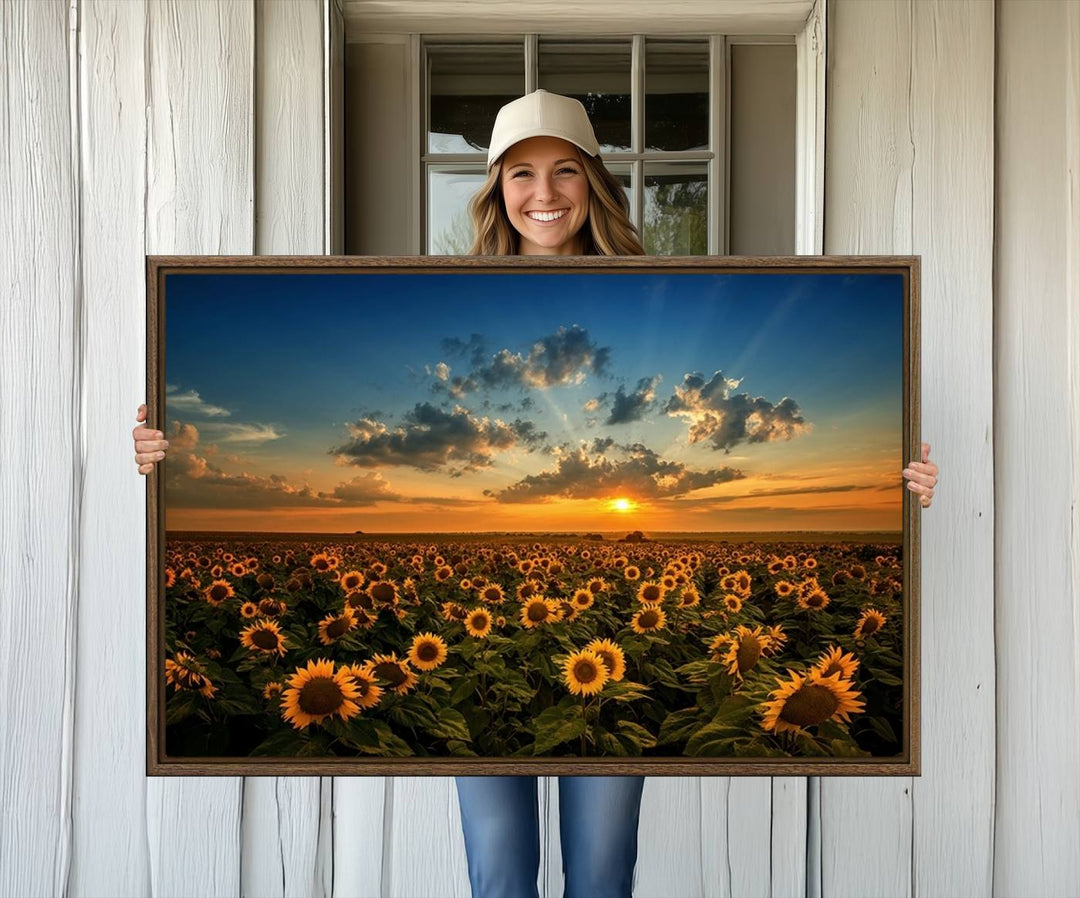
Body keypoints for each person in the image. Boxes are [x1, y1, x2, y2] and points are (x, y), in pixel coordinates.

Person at [131, 90, 940, 898]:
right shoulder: (446, 300)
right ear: (495, 189)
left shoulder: (661, 294)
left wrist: (896, 483)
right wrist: (161, 448)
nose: (544, 194)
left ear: (593, 182)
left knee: (601, 869)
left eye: (564, 171)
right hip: (483, 645)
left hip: (598, 651)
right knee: (499, 869)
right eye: (522, 173)